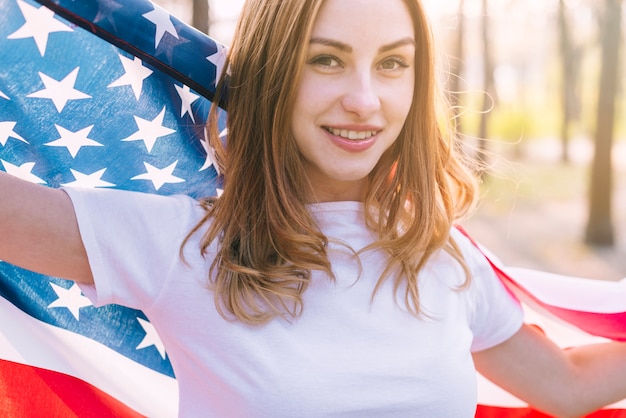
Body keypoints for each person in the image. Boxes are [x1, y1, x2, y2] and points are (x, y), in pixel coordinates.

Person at [1, 0, 626, 416]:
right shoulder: (186, 245)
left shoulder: (442, 254)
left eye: (392, 64)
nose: (364, 99)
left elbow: (567, 385)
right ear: (273, 74)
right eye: (325, 59)